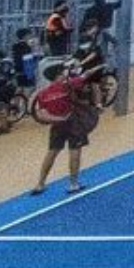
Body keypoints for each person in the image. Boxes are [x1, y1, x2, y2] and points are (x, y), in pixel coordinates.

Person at [30, 64, 96, 196]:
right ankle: (73, 184)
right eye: (63, 72)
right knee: (75, 151)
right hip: (72, 122)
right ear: (58, 75)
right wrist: (93, 68)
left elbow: (42, 114)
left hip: (56, 125)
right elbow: (85, 76)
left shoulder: (43, 94)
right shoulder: (67, 85)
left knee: (52, 152)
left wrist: (57, 119)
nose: (65, 74)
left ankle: (40, 184)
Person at [0, 48, 21, 130]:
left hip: (7, 87)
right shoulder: (4, 63)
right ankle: (5, 124)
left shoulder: (5, 64)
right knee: (1, 105)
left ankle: (4, 127)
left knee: (0, 105)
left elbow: (4, 78)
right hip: (6, 86)